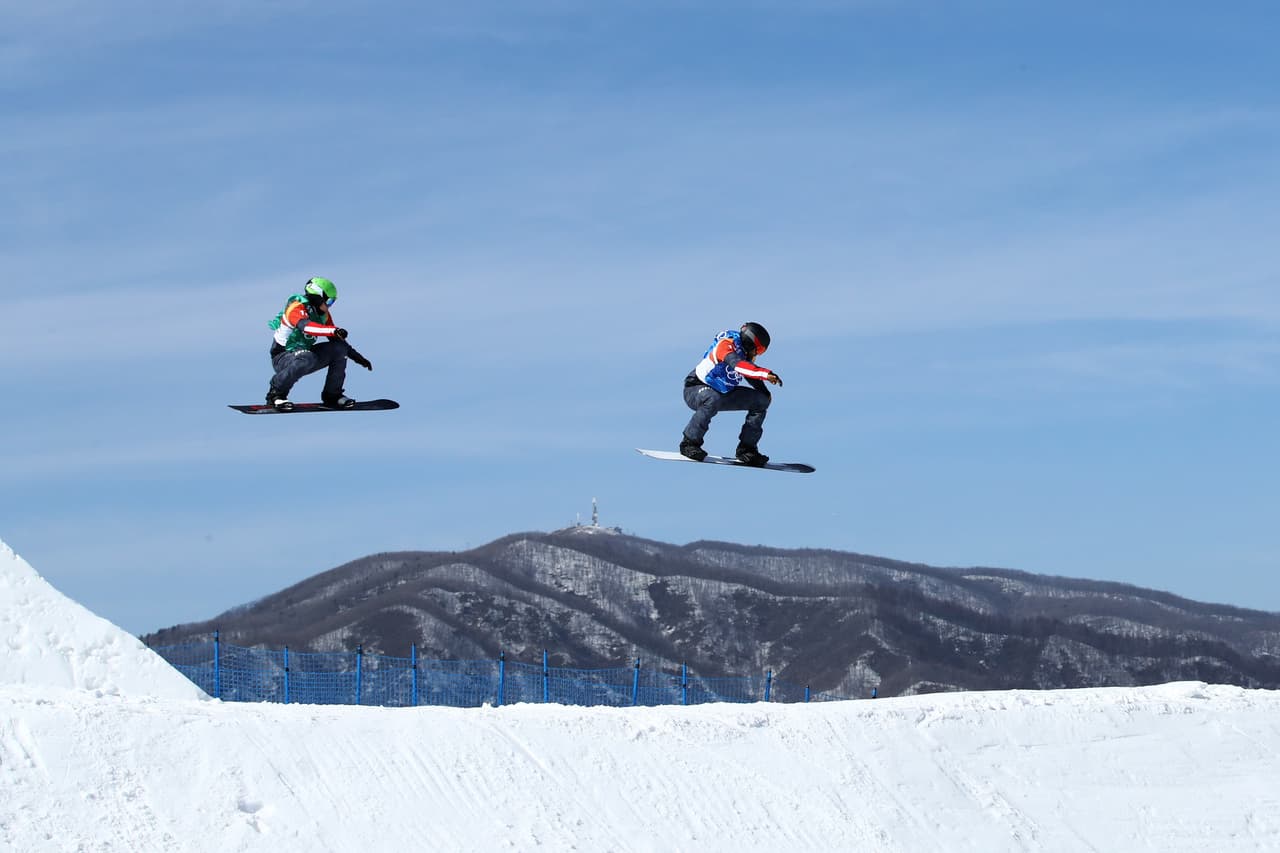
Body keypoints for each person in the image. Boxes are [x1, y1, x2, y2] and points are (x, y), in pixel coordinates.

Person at [680, 322, 783, 466]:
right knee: (712, 398)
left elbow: (748, 372)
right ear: (750, 343)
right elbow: (739, 365)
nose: (756, 355)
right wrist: (765, 374)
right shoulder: (726, 345)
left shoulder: (743, 353)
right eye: (757, 351)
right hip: (696, 388)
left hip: (722, 393)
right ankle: (689, 443)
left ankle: (746, 450)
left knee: (761, 401)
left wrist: (765, 392)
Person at [264, 277, 372, 411]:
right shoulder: (296, 307)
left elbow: (337, 340)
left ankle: (332, 395)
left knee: (339, 349)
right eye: (330, 301)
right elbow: (307, 326)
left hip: (305, 356)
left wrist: (357, 357)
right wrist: (334, 330)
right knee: (307, 357)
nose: (330, 305)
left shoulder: (323, 315)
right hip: (283, 357)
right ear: (318, 297)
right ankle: (276, 394)